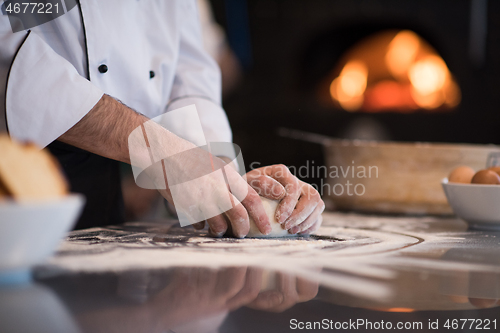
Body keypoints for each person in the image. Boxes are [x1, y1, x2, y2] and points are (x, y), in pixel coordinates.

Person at [0, 0, 324, 237]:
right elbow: (10, 54)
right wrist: (162, 152)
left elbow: (188, 70)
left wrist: (222, 180)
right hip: (16, 172)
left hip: (105, 180)